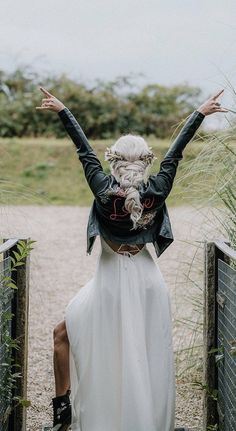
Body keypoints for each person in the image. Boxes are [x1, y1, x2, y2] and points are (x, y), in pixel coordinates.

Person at [36, 87, 227, 431]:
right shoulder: (158, 189)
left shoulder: (101, 189)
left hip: (109, 285)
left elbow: (84, 151)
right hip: (149, 285)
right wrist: (199, 112)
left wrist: (64, 110)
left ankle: (63, 416)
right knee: (145, 356)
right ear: (146, 162)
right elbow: (176, 153)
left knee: (67, 336)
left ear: (113, 162)